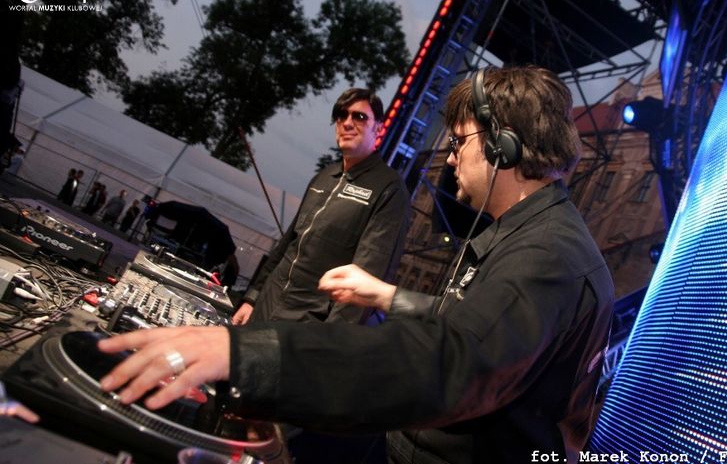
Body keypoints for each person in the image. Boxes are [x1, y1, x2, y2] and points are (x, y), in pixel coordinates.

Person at [98, 66, 615, 464]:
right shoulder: (526, 234)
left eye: (460, 142)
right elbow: (470, 323)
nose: (451, 158)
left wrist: (254, 357)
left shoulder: (550, 256)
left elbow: (454, 362)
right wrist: (387, 295)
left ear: (504, 147)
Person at [232, 87, 410, 325]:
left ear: (378, 127)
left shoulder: (389, 189)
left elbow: (366, 281)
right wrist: (252, 299)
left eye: (359, 116)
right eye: (341, 115)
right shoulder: (324, 176)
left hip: (305, 327)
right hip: (265, 307)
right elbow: (287, 245)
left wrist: (326, 339)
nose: (347, 123)